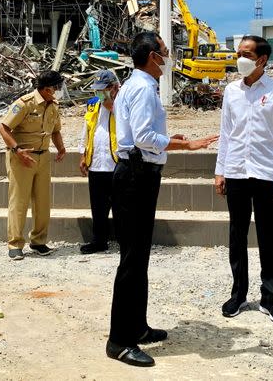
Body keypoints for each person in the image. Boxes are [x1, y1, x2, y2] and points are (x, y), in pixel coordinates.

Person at [106, 31, 218, 368]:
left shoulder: (140, 86)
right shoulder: (141, 88)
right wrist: (186, 145)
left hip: (140, 175)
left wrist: (169, 139)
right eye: (166, 52)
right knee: (132, 260)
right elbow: (141, 138)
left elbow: (147, 135)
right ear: (153, 56)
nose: (169, 57)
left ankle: (136, 327)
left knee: (139, 257)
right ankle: (119, 341)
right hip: (135, 177)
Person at [214, 35, 273, 325]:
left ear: (262, 59)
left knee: (269, 238)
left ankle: (270, 298)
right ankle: (238, 294)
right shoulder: (232, 91)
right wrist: (220, 170)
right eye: (239, 53)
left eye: (246, 54)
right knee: (237, 236)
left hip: (267, 175)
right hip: (236, 172)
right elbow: (226, 133)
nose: (240, 58)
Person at [0, 70, 67, 260]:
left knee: (43, 203)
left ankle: (38, 241)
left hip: (43, 158)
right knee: (19, 202)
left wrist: (61, 148)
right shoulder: (24, 104)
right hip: (22, 158)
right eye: (56, 87)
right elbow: (3, 128)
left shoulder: (53, 105)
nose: (59, 90)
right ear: (46, 89)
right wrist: (17, 150)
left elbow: (56, 131)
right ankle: (15, 244)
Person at [77, 70, 121, 254]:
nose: (99, 93)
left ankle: (125, 241)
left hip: (117, 162)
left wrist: (115, 108)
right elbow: (87, 130)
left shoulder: (123, 103)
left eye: (103, 90)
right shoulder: (93, 105)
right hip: (96, 163)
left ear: (114, 88)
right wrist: (83, 154)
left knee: (121, 206)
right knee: (98, 207)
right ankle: (99, 241)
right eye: (97, 90)